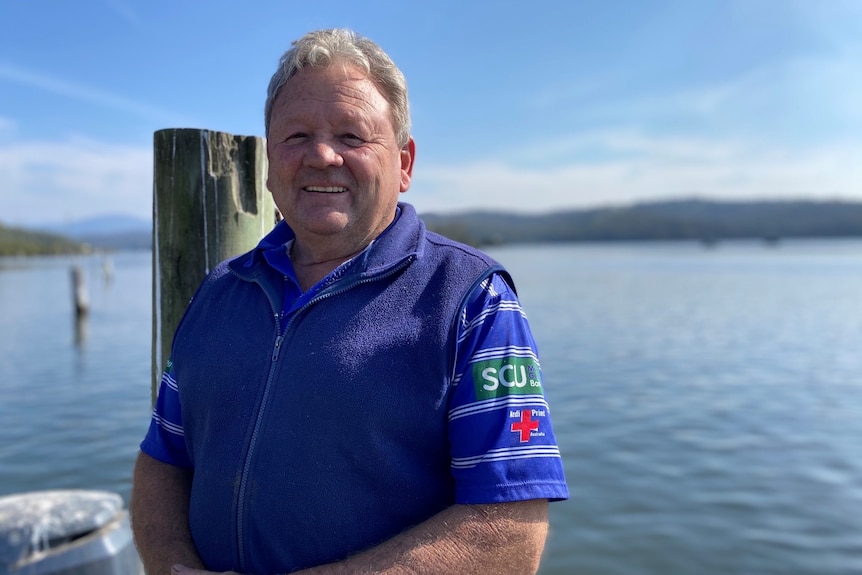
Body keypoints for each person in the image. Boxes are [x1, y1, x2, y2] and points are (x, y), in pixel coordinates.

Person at [130, 28, 569, 575]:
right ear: (269, 164)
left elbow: (510, 531)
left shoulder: (471, 300)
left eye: (352, 136)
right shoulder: (219, 292)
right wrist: (170, 566)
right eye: (295, 136)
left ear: (404, 163)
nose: (320, 155)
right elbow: (163, 458)